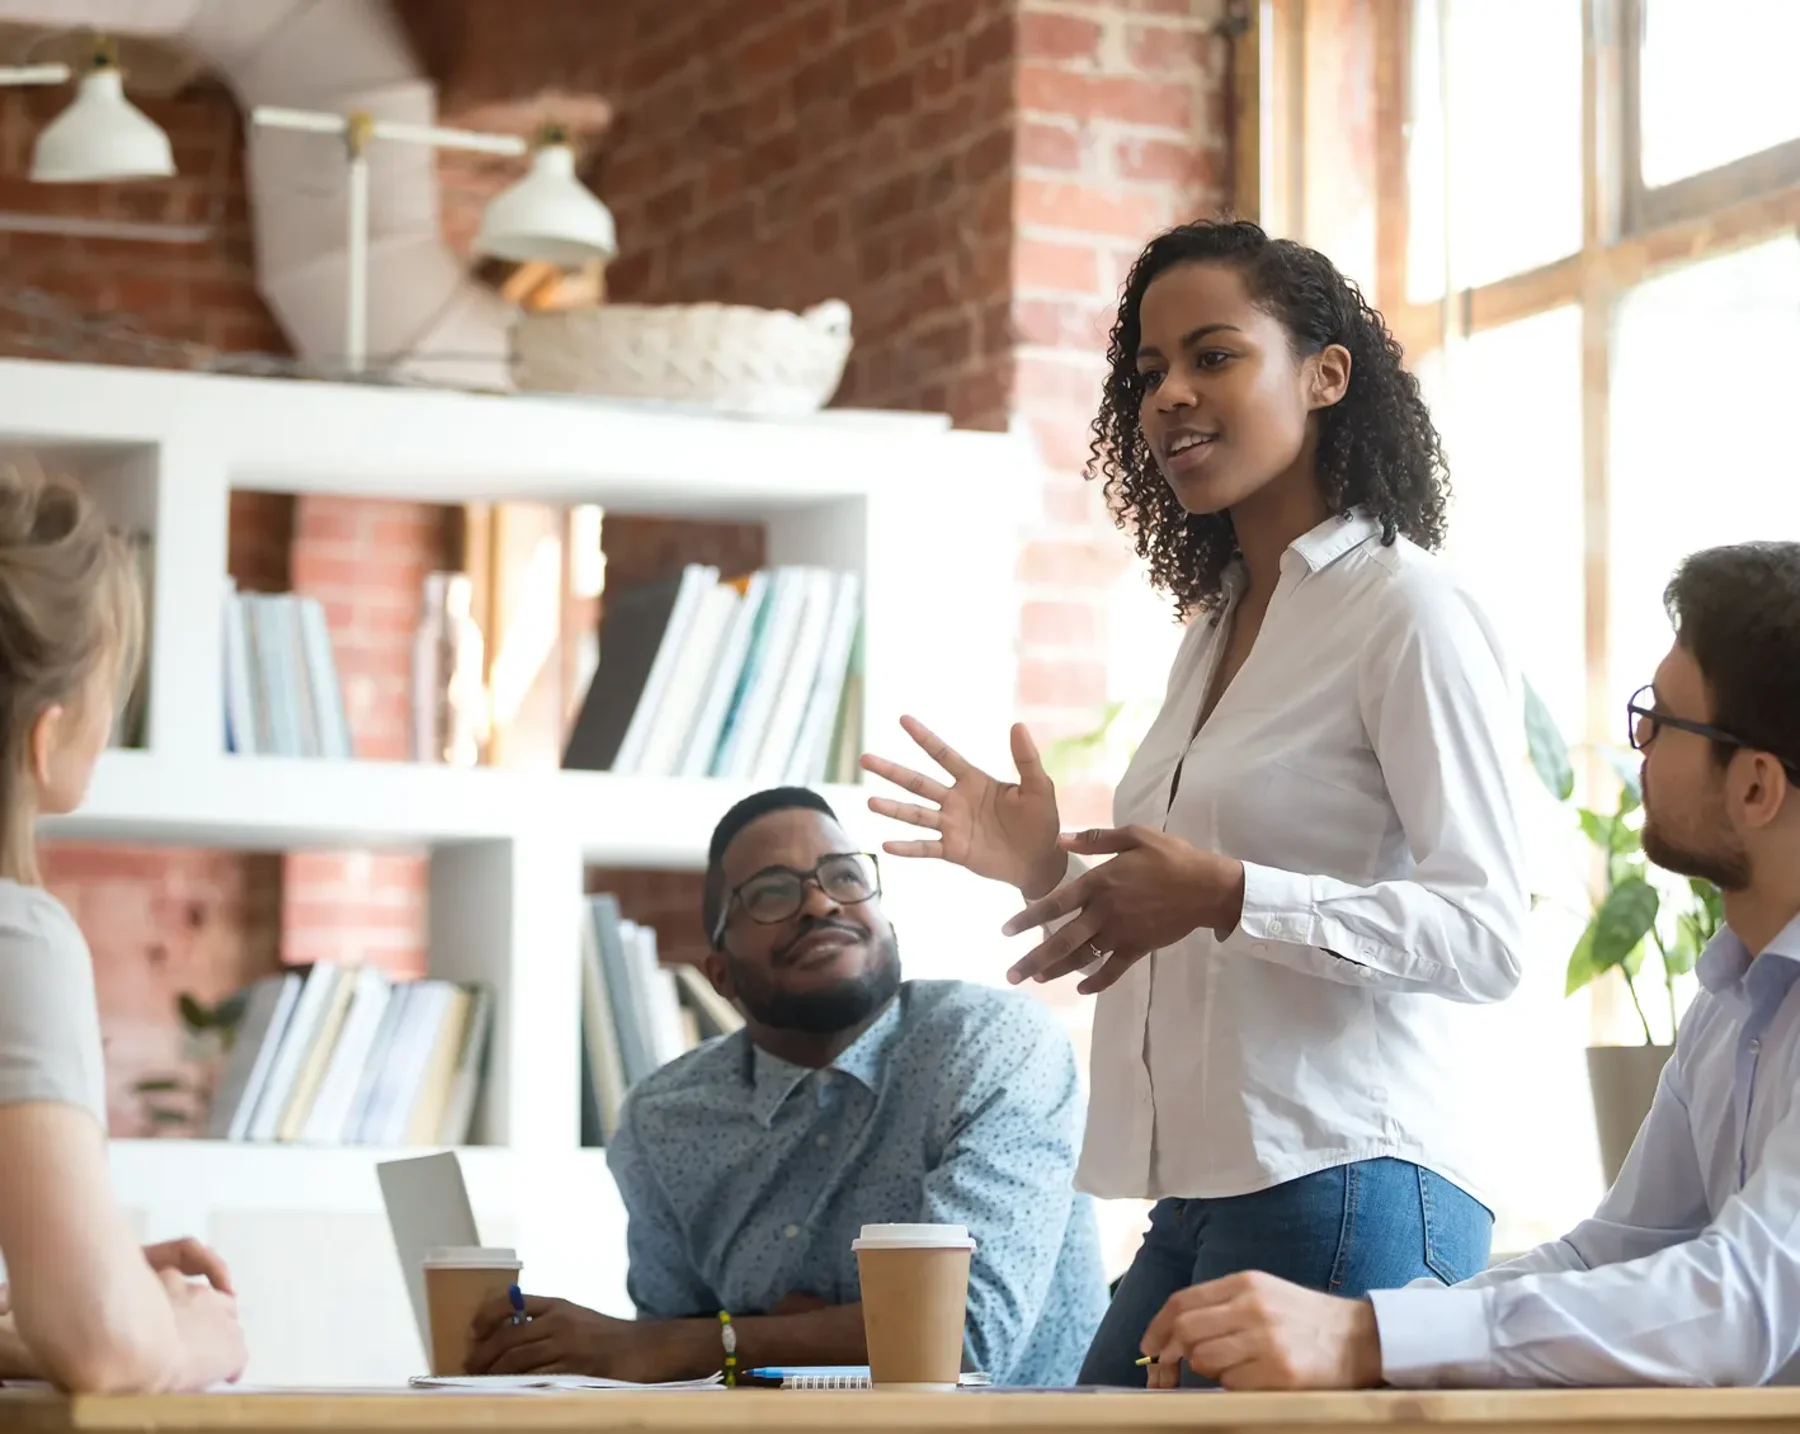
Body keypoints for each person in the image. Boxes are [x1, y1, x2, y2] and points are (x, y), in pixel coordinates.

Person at [862, 218, 1530, 1386]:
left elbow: (1487, 934)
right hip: (1207, 1193)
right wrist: (1041, 871)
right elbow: (1190, 916)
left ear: (1328, 375)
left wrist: (1225, 892)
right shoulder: (1217, 628)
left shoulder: (1406, 613)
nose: (1169, 395)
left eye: (1213, 356)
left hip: (1355, 1179)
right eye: (1147, 373)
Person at [1136, 541, 1800, 1390]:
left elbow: (1739, 1306)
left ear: (1755, 787)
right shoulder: (1732, 1000)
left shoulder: (1410, 608)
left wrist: (1368, 1338)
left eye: (1662, 721)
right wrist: (1385, 1327)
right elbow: (1617, 1249)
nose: (1637, 745)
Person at [464, 786, 1108, 1386]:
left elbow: (960, 1340)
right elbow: (674, 1380)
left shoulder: (992, 1044)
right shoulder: (662, 1120)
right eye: (771, 893)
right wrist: (766, 1338)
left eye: (846, 878)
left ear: (888, 925)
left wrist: (713, 1342)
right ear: (721, 974)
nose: (821, 902)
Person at [0, 465, 246, 1391]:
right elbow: (106, 1347)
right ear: (45, 732)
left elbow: (86, 1322)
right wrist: (183, 1337)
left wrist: (70, 1292)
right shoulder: (18, 940)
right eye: (111, 685)